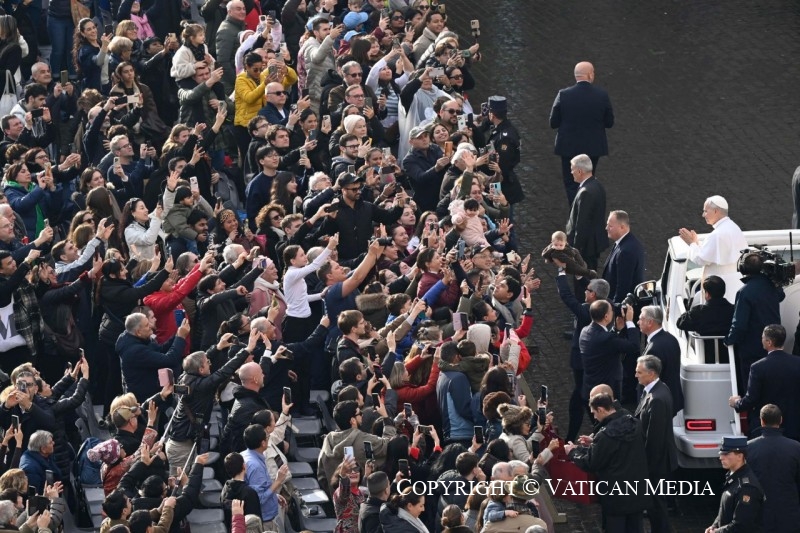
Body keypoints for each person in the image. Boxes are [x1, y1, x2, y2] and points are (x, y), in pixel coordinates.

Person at [566, 393, 650, 532]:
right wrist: (595, 443)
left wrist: (572, 452)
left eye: (594, 413)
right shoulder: (634, 423)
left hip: (616, 497)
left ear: (601, 409)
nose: (594, 417)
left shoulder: (605, 435)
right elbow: (620, 447)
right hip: (638, 492)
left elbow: (591, 463)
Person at [549, 61, 615, 205]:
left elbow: (553, 122)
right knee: (587, 181)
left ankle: (575, 213)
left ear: (576, 76)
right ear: (590, 75)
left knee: (571, 184)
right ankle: (586, 211)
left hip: (568, 148)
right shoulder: (602, 95)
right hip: (593, 148)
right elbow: (609, 122)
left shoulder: (563, 94)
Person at [556, 273, 610, 443]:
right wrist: (579, 276)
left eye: (587, 290)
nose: (584, 292)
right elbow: (594, 287)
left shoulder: (586, 311)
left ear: (592, 294)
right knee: (579, 397)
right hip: (595, 360)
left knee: (582, 398)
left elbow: (566, 296)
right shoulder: (606, 306)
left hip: (581, 361)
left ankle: (588, 433)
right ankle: (574, 435)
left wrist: (562, 272)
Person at [725, 252, 785, 394]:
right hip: (774, 347)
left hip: (752, 350)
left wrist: (729, 340)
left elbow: (739, 324)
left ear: (742, 269)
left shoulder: (744, 292)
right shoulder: (771, 287)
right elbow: (781, 296)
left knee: (753, 390)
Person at [729, 324, 800, 441]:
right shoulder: (798, 363)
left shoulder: (758, 367)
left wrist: (736, 403)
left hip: (765, 431)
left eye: (763, 338)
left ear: (769, 342)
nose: (761, 340)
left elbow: (751, 399)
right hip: (794, 428)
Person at [633, 355, 677, 533]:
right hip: (658, 461)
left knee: (656, 506)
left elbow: (655, 439)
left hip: (657, 464)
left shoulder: (657, 398)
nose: (635, 375)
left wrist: (647, 467)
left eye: (639, 372)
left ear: (651, 374)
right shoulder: (658, 389)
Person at [678, 195, 748, 303]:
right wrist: (697, 243)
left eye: (705, 211)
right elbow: (712, 251)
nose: (703, 215)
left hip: (717, 287)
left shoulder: (717, 234)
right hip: (732, 282)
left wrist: (691, 243)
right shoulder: (733, 227)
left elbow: (701, 259)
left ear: (716, 211)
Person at [746, 404, 800, 533]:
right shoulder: (796, 447)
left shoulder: (748, 448)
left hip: (759, 513)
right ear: (781, 420)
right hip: (788, 512)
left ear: (761, 421)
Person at [579, 300, 639, 401]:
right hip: (607, 393)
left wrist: (616, 330)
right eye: (611, 311)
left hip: (589, 387)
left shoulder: (585, 331)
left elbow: (604, 346)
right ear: (606, 317)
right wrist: (629, 321)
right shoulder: (607, 339)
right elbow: (634, 346)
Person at [705, 436, 764, 533]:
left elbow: (741, 526)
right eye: (721, 453)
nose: (721, 457)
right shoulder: (732, 476)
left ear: (740, 456)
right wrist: (714, 525)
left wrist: (717, 532)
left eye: (726, 454)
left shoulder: (747, 488)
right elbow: (724, 510)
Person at [676, 275, 735, 363]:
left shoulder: (698, 312)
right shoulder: (734, 310)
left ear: (707, 294)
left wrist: (689, 309)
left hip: (706, 358)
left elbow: (680, 323)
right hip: (731, 357)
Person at [242, 424, 289, 530]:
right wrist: (278, 481)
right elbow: (259, 498)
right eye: (267, 437)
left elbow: (259, 488)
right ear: (263, 443)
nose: (269, 439)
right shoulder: (255, 466)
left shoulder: (246, 455)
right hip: (265, 520)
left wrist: (274, 496)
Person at [565, 154, 608, 271]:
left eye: (572, 169)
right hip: (593, 244)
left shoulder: (585, 192)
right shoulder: (597, 185)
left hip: (585, 248)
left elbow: (581, 225)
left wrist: (575, 251)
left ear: (580, 171)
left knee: (583, 282)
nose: (571, 172)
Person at [638, 305, 683, 415]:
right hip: (671, 399)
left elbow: (649, 380)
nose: (638, 322)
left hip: (658, 404)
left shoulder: (654, 348)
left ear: (650, 322)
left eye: (641, 319)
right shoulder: (671, 338)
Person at [602, 210, 645, 304]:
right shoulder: (624, 243)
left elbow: (623, 286)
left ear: (622, 227)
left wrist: (615, 309)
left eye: (610, 226)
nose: (606, 228)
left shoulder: (626, 251)